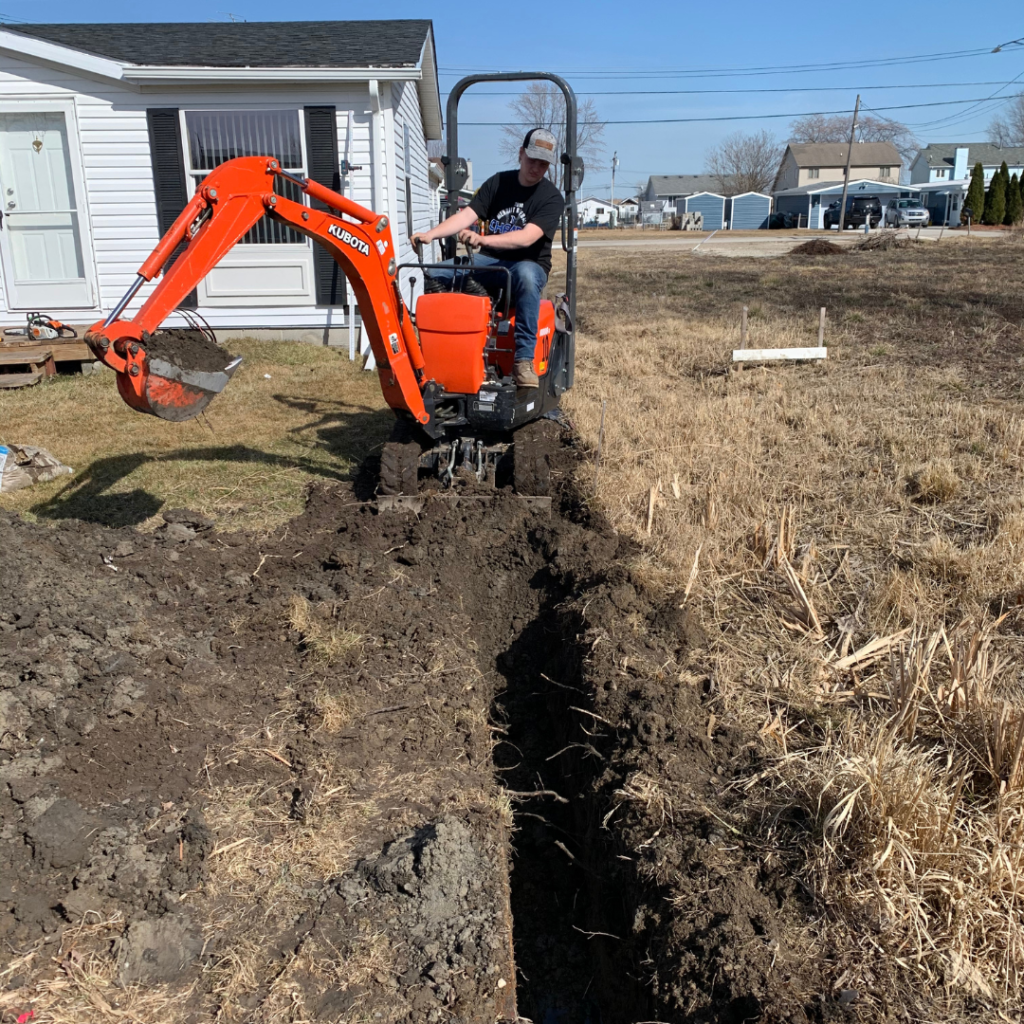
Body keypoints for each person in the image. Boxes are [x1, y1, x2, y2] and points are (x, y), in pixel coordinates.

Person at [410, 128, 564, 388]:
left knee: (526, 275)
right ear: (521, 153)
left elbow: (527, 238)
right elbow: (465, 217)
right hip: (491, 262)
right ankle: (444, 351)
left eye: (543, 164)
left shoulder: (551, 198)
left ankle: (523, 361)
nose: (536, 168)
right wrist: (431, 234)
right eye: (532, 160)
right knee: (436, 272)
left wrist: (483, 240)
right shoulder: (498, 183)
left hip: (528, 265)